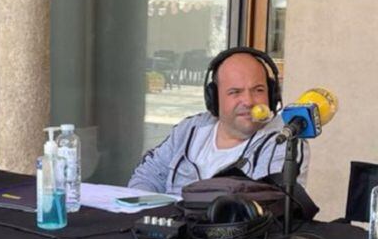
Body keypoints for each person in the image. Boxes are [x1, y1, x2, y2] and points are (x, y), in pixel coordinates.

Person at [128, 46, 307, 194]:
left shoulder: (284, 141)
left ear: (272, 94)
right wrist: (144, 213)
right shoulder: (189, 129)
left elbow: (267, 207)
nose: (249, 101)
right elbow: (147, 175)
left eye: (258, 90)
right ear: (214, 98)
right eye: (235, 92)